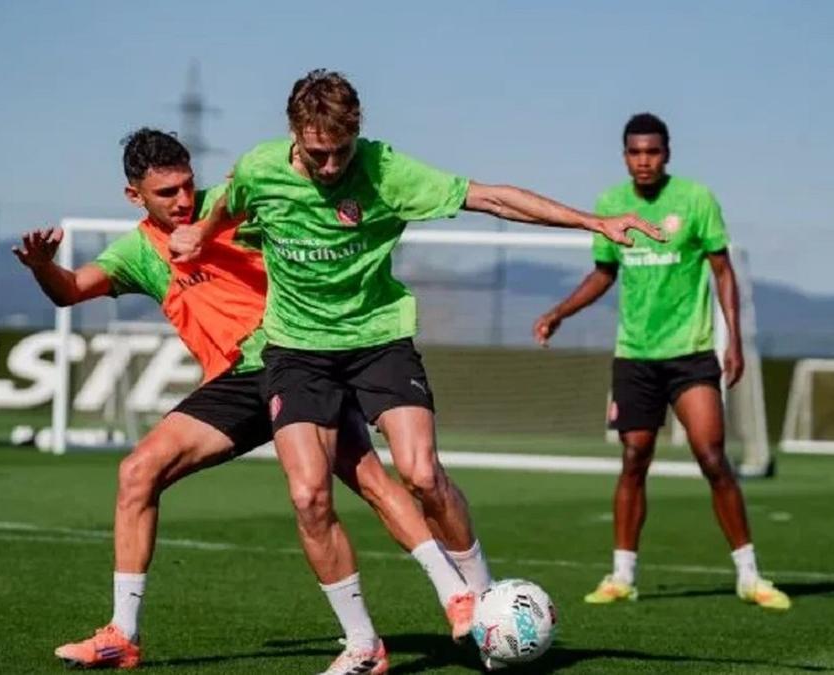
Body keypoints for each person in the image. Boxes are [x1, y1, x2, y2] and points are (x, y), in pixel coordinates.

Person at [174, 69, 663, 672]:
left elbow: (493, 198)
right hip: (297, 349)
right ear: (294, 136)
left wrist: (593, 222)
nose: (332, 168)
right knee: (307, 496)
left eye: (342, 153)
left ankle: (481, 603)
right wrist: (201, 228)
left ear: (359, 135)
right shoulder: (260, 167)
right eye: (319, 155)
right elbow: (230, 196)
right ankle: (362, 645)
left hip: (378, 338)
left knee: (422, 474)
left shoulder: (386, 171)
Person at [15, 128, 472, 672]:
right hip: (234, 382)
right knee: (139, 471)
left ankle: (458, 596)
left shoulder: (228, 207)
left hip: (297, 360)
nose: (184, 200)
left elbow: (283, 190)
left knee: (370, 480)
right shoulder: (138, 250)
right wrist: (44, 266)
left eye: (188, 185)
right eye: (167, 193)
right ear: (134, 196)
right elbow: (70, 290)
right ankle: (123, 634)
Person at [532, 113, 789, 611]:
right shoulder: (611, 204)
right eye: (634, 152)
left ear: (667, 153)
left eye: (652, 152)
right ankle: (622, 575)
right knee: (634, 459)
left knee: (713, 457)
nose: (643, 160)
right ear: (625, 156)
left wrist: (733, 340)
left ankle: (749, 575)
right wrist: (560, 311)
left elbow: (723, 271)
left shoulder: (695, 200)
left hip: (690, 353)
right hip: (634, 356)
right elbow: (603, 273)